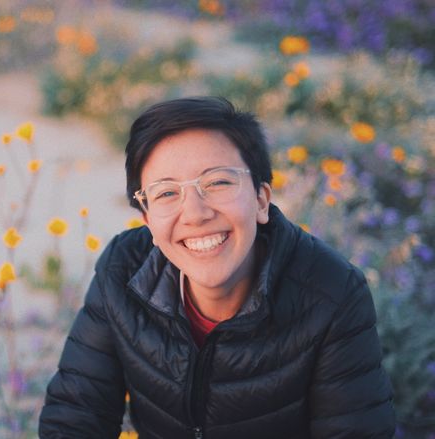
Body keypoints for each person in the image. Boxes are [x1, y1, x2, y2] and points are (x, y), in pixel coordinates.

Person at [39, 96, 395, 438]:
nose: (195, 214)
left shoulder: (332, 292)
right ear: (147, 220)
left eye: (218, 182)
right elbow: (75, 417)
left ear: (261, 200)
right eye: (166, 193)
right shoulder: (122, 268)